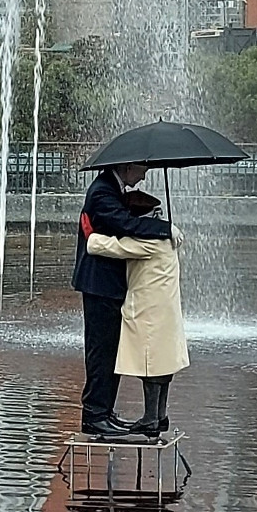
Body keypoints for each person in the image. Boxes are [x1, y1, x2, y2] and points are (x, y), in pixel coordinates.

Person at [72, 162, 173, 439]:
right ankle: (94, 415)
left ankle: (105, 411)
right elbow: (124, 224)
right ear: (127, 166)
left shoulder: (111, 190)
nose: (143, 176)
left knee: (111, 351)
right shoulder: (102, 192)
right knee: (101, 352)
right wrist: (163, 228)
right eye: (142, 169)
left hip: (109, 285)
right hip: (99, 285)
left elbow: (121, 222)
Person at [85, 191, 187, 435]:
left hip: (148, 310)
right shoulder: (165, 238)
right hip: (165, 309)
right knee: (163, 365)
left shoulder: (149, 241)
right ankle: (160, 415)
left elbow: (113, 246)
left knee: (150, 365)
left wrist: (90, 235)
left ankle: (150, 418)